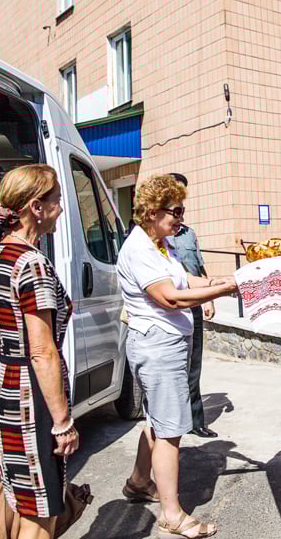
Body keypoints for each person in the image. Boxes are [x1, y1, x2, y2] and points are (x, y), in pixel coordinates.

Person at [117, 174, 236, 539]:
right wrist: (225, 289)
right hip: (158, 346)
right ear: (152, 212)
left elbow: (184, 280)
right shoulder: (139, 249)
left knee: (157, 420)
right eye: (176, 211)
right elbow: (169, 297)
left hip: (163, 343)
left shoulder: (159, 244)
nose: (181, 219)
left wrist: (224, 282)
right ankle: (171, 514)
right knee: (170, 431)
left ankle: (139, 482)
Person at [0, 164, 78, 539]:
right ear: (36, 207)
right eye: (57, 200)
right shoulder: (31, 263)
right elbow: (42, 351)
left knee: (25, 505)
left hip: (5, 388)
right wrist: (62, 422)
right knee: (40, 515)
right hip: (31, 398)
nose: (61, 208)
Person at [168, 172, 218, 438]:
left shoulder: (189, 234)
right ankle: (172, 420)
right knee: (172, 365)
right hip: (169, 306)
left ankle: (195, 421)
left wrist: (209, 298)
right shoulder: (156, 235)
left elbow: (198, 267)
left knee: (194, 364)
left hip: (194, 304)